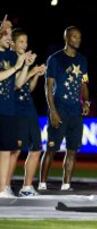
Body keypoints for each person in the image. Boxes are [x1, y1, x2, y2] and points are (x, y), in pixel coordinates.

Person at [38, 26, 90, 191]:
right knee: (51, 149)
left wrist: (87, 102)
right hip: (59, 110)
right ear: (67, 38)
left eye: (79, 37)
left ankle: (66, 184)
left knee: (72, 150)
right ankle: (42, 184)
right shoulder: (55, 59)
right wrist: (52, 111)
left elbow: (84, 83)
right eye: (74, 37)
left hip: (76, 113)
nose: (78, 40)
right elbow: (48, 87)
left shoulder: (82, 60)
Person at [5, 28, 46, 196]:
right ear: (13, 43)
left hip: (29, 108)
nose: (25, 45)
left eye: (26, 42)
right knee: (14, 150)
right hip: (16, 110)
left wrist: (35, 74)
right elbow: (16, 84)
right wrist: (30, 70)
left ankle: (27, 187)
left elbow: (28, 88)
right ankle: (5, 185)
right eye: (21, 41)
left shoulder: (23, 60)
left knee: (36, 148)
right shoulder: (10, 60)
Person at [0, 15, 35, 197]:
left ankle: (3, 188)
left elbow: (18, 84)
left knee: (7, 150)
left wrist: (26, 66)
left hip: (8, 109)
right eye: (6, 34)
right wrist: (15, 67)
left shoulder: (11, 56)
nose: (9, 37)